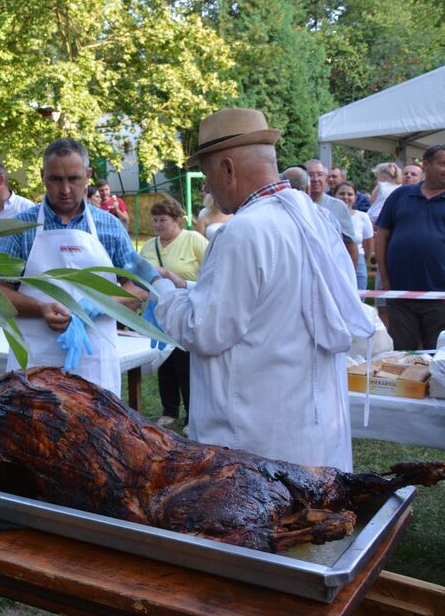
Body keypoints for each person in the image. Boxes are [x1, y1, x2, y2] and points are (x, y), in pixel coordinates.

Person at [153, 108, 372, 471]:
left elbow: (203, 329)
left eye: (207, 175)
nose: (206, 187)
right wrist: (189, 286)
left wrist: (161, 291)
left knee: (263, 519)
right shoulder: (315, 218)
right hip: (308, 424)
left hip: (256, 437)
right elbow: (271, 298)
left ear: (228, 168)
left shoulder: (245, 230)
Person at [0, 138, 141, 393]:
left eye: (73, 179)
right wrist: (40, 308)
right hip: (35, 362)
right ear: (42, 176)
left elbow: (137, 288)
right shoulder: (20, 228)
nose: (65, 189)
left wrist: (97, 305)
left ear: (88, 175)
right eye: (55, 179)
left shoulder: (110, 226)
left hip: (94, 362)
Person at [139, 199, 207, 423]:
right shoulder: (149, 246)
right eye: (155, 220)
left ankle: (192, 416)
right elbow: (141, 278)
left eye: (163, 220)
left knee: (185, 365)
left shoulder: (193, 239)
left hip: (188, 310)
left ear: (177, 220)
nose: (158, 224)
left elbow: (211, 271)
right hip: (158, 313)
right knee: (164, 363)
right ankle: (169, 411)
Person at [374, 144, 445, 350]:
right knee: (404, 354)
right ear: (426, 164)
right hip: (401, 292)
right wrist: (386, 279)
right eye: (442, 163)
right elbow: (382, 237)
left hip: (440, 295)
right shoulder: (400, 195)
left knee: (438, 355)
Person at [304, 159, 358, 266]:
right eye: (310, 175)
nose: (315, 179)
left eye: (320, 174)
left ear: (326, 178)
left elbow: (350, 244)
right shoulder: (297, 204)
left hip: (331, 266)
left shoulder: (338, 206)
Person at [334, 181, 374, 291]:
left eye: (349, 194)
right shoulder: (327, 214)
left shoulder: (363, 217)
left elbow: (368, 245)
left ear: (355, 197)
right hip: (334, 259)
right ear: (334, 195)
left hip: (358, 260)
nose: (345, 197)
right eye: (341, 194)